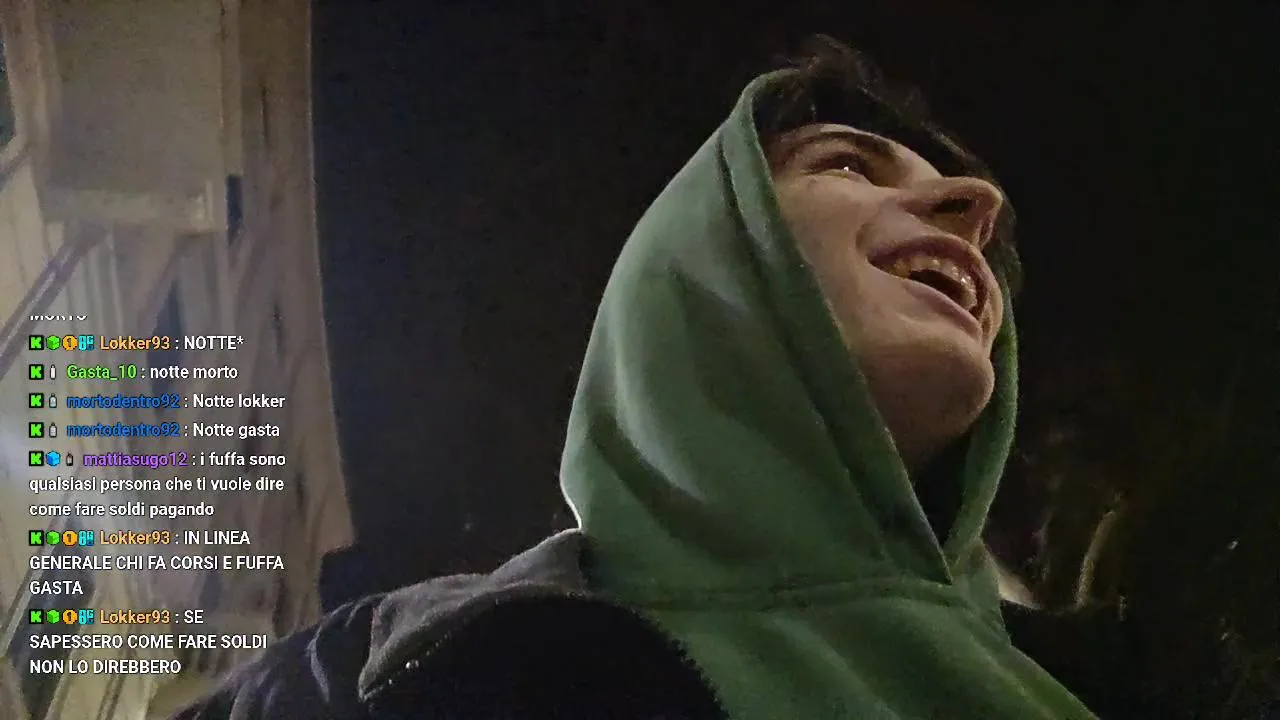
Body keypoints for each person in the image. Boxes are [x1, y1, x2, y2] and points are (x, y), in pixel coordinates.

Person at [174, 36, 1097, 719]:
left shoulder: (1115, 671)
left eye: (972, 218)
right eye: (851, 165)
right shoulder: (400, 671)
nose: (977, 207)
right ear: (708, 260)